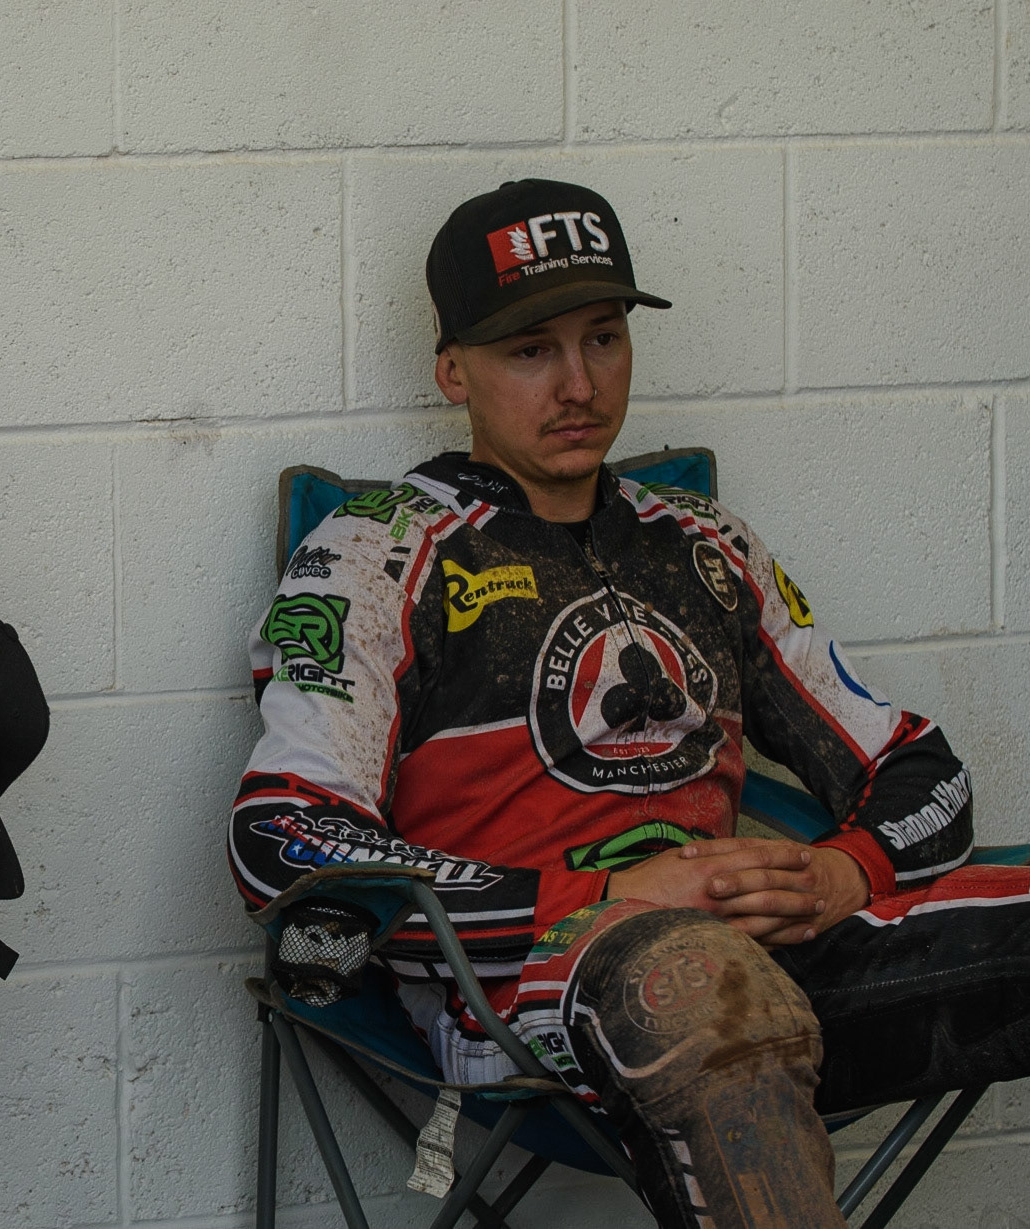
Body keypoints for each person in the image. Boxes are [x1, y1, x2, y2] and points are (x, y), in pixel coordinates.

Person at [231, 177, 1030, 1228]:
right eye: (529, 351)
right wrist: (591, 895)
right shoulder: (372, 550)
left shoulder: (703, 542)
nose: (577, 384)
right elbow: (284, 837)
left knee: (726, 980)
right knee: (701, 987)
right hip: (524, 981)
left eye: (602, 338)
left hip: (766, 946)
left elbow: (915, 766)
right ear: (449, 368)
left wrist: (843, 870)